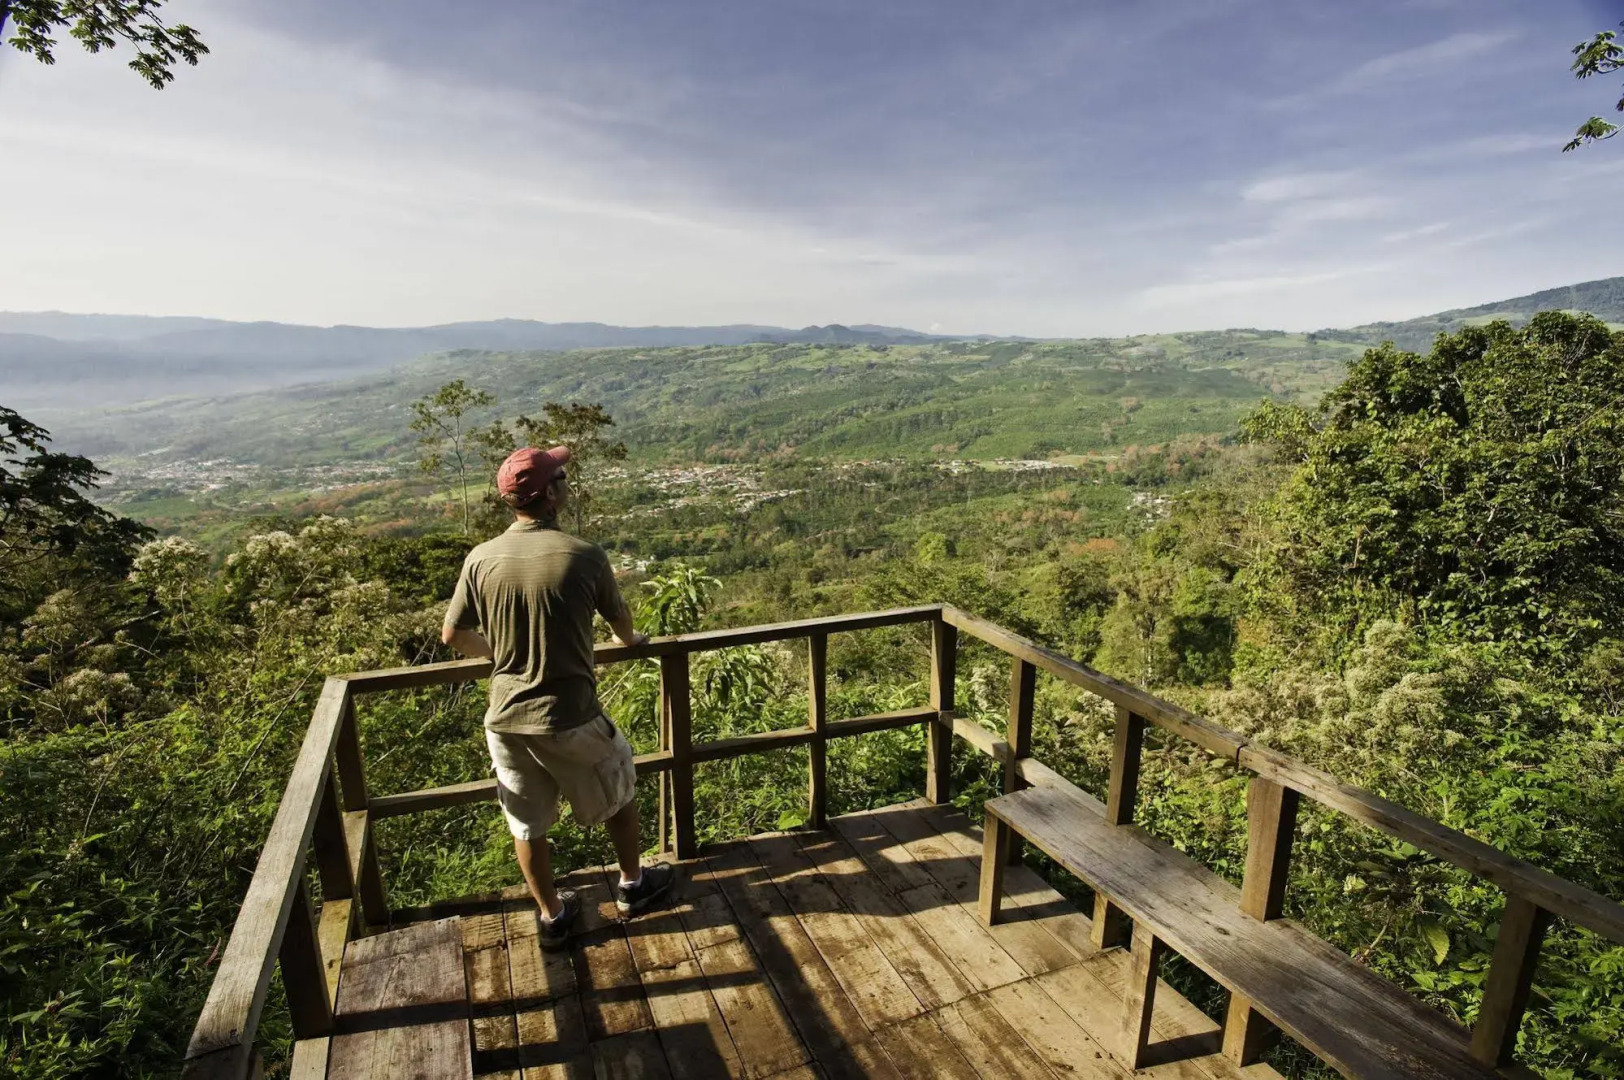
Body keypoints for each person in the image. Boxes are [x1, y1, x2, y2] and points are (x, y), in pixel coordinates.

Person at [441, 444, 673, 950]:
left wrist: (502, 655)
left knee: (527, 825)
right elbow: (621, 623)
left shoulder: (480, 558)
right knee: (619, 787)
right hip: (568, 713)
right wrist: (631, 641)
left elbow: (453, 634)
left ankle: (553, 915)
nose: (567, 481)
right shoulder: (583, 555)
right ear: (549, 494)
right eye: (561, 477)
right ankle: (633, 885)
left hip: (505, 717)